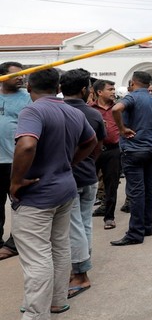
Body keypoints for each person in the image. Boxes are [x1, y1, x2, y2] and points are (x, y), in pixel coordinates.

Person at [10, 68, 97, 317]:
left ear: (28, 88)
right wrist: (70, 163)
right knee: (59, 247)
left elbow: (27, 145)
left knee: (37, 256)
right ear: (58, 88)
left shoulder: (33, 110)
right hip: (64, 188)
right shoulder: (72, 111)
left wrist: (16, 182)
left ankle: (36, 313)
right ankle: (57, 301)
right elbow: (90, 142)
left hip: (38, 194)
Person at [61, 69, 106, 299]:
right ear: (85, 89)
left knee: (74, 226)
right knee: (84, 223)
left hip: (68, 178)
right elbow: (98, 146)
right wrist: (88, 162)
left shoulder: (56, 111)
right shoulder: (93, 114)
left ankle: (80, 272)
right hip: (88, 174)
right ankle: (82, 263)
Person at [110, 71, 152, 246]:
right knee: (147, 189)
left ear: (132, 83)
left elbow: (116, 108)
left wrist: (122, 128)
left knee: (136, 192)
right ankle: (147, 226)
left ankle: (135, 232)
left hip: (133, 150)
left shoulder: (132, 97)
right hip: (150, 149)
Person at [0, 61, 31, 261]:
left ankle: (14, 243)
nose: (21, 77)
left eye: (23, 74)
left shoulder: (28, 99)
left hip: (15, 160)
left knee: (20, 204)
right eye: (16, 75)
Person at [91, 80, 122, 231]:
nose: (113, 91)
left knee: (112, 184)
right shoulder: (90, 109)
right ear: (99, 92)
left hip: (113, 150)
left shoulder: (118, 108)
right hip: (92, 150)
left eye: (114, 88)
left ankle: (109, 217)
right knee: (88, 183)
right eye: (110, 89)